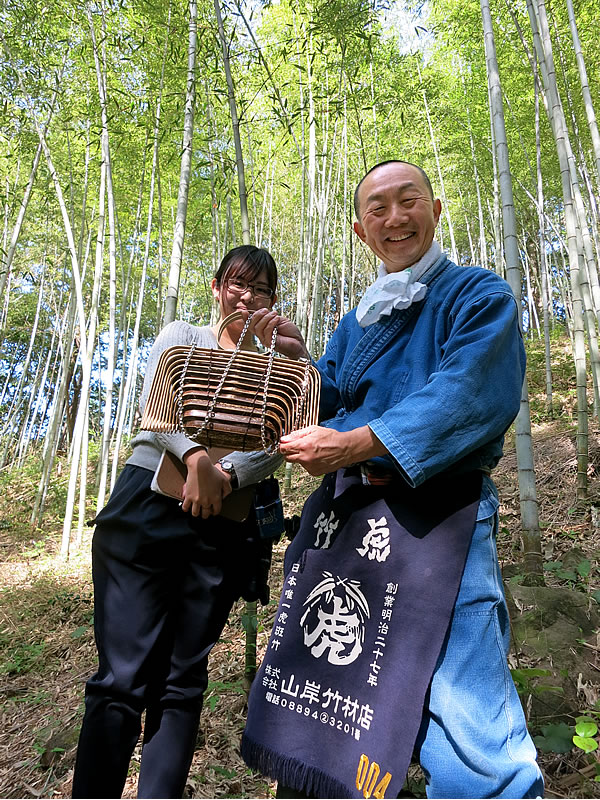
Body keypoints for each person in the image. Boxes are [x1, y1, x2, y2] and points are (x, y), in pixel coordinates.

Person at [242, 161, 544, 798]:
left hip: (442, 516)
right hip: (351, 521)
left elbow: (468, 395)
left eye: (409, 201)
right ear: (359, 230)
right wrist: (297, 363)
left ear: (436, 209)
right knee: (331, 688)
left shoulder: (478, 295)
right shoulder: (357, 320)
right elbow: (325, 398)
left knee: (459, 701)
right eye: (377, 209)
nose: (395, 217)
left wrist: (357, 442)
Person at [72, 245, 283, 799]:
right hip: (146, 507)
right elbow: (160, 409)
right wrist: (194, 459)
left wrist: (226, 476)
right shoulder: (181, 337)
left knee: (182, 682)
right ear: (217, 288)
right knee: (120, 679)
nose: (247, 296)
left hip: (223, 521)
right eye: (238, 283)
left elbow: (279, 441)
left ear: (273, 301)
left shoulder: (278, 367)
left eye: (260, 290)